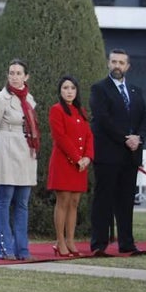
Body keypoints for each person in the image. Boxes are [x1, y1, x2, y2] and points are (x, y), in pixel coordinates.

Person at [89, 49, 146, 255]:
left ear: (128, 67)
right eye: (114, 61)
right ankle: (99, 244)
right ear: (109, 63)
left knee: (126, 202)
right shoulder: (99, 89)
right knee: (103, 201)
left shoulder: (136, 91)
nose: (117, 66)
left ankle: (127, 243)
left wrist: (138, 138)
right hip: (108, 155)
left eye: (121, 63)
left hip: (130, 156)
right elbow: (103, 119)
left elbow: (145, 118)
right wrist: (126, 138)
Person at [0, 58, 39, 260]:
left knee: (22, 204)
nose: (15, 77)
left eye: (19, 73)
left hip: (26, 152)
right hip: (5, 151)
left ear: (26, 76)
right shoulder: (0, 98)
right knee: (4, 202)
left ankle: (22, 249)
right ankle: (4, 248)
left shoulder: (29, 99)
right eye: (11, 73)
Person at [47, 75, 93, 257]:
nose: (69, 91)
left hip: (80, 165)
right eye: (65, 88)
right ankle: (60, 242)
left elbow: (89, 136)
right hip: (64, 163)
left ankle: (70, 240)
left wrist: (88, 157)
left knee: (74, 203)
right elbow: (60, 137)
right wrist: (77, 158)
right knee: (63, 201)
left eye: (72, 88)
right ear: (60, 91)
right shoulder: (56, 110)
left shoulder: (81, 111)